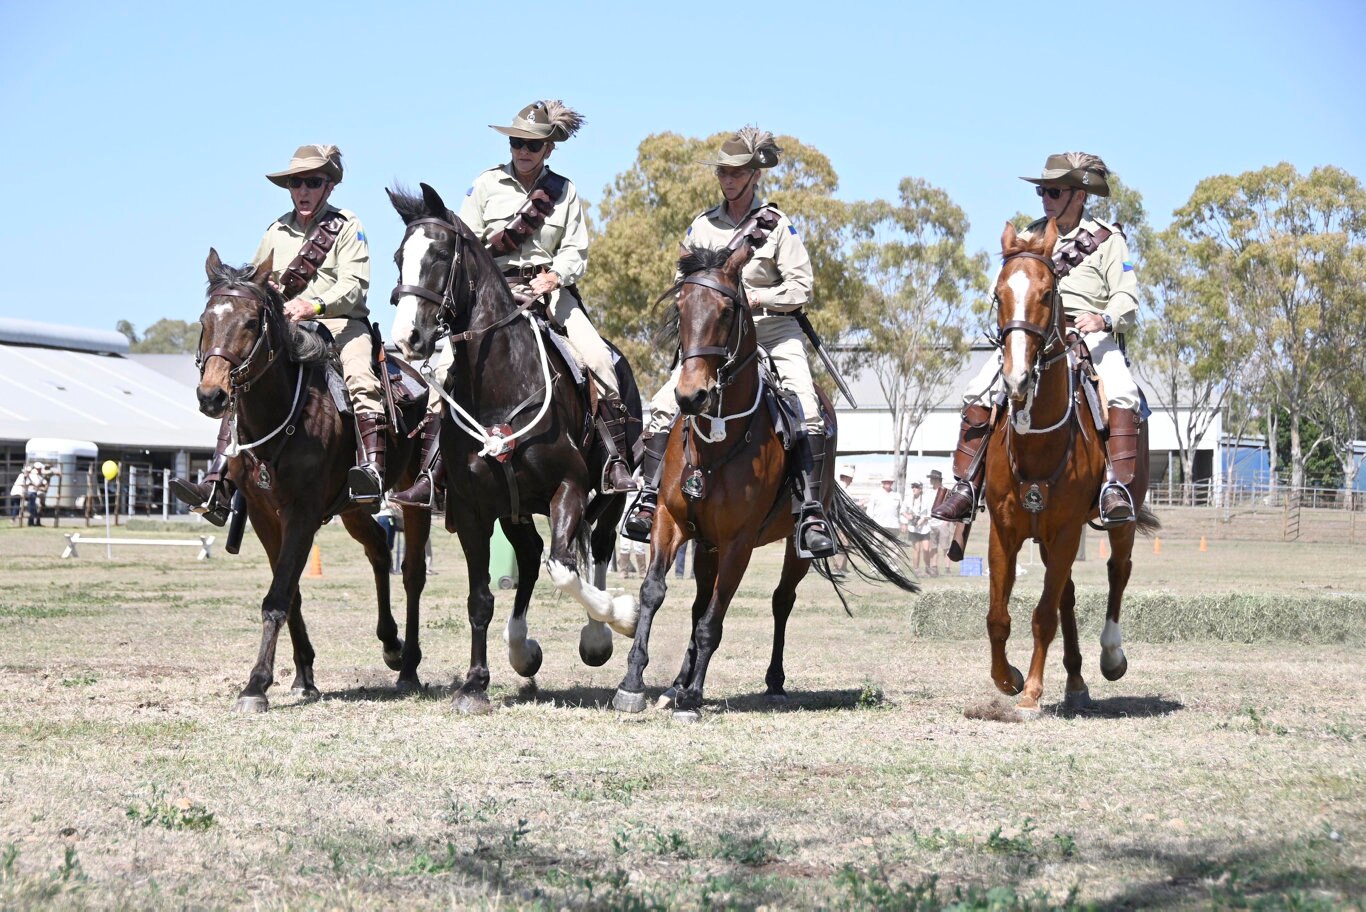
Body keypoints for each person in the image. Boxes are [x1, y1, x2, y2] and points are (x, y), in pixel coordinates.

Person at [391, 100, 635, 510]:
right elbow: (461, 243)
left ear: (548, 149)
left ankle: (614, 460)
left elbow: (577, 249)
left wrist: (556, 275)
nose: (523, 151)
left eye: (532, 145)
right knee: (443, 374)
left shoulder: (565, 191)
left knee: (599, 360)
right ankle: (430, 476)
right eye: (517, 143)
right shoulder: (485, 185)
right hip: (492, 295)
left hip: (550, 294)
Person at [622, 126, 836, 559]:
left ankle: (810, 510)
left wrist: (756, 297)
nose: (729, 179)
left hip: (772, 331)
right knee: (664, 405)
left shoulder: (778, 227)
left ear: (755, 176)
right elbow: (682, 282)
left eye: (737, 173)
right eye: (724, 172)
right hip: (714, 338)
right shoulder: (702, 225)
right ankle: (647, 497)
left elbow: (801, 289)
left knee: (807, 409)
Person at [171, 144, 382, 523]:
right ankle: (217, 482)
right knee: (241, 380)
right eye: (296, 183)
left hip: (339, 323)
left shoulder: (348, 226)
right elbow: (256, 283)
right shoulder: (276, 230)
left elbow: (355, 286)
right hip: (287, 329)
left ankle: (371, 470)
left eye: (312, 182)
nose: (303, 190)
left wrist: (313, 306)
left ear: (329, 187)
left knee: (361, 377)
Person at [933, 152, 1142, 530]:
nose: (1045, 198)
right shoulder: (1028, 235)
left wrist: (1104, 318)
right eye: (1042, 191)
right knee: (977, 390)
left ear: (1079, 196)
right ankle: (965, 486)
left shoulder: (1108, 241)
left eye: (1054, 191)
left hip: (1088, 334)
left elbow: (1127, 296)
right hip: (1035, 334)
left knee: (1123, 392)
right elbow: (1007, 285)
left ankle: (1115, 488)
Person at [829, 465, 856, 576]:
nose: (852, 480)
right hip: (840, 522)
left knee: (846, 545)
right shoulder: (841, 489)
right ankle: (837, 568)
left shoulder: (844, 489)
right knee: (842, 544)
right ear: (847, 477)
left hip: (845, 522)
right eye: (851, 477)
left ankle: (843, 567)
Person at [925, 470, 953, 576]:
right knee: (933, 547)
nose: (931, 480)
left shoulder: (946, 492)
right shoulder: (928, 492)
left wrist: (946, 521)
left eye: (932, 478)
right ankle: (934, 567)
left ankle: (947, 568)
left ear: (937, 479)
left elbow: (950, 507)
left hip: (942, 522)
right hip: (931, 522)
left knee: (945, 547)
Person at [863, 475, 902, 541]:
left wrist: (903, 523)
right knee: (878, 546)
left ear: (892, 483)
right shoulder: (875, 493)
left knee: (893, 548)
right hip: (879, 524)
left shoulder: (897, 495)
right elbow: (870, 510)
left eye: (890, 482)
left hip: (893, 525)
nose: (888, 483)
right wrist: (869, 523)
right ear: (883, 483)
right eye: (886, 482)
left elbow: (901, 510)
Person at [902, 480, 929, 573]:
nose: (914, 489)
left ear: (920, 489)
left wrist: (923, 519)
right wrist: (908, 516)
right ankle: (916, 569)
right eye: (912, 486)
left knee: (926, 549)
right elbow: (902, 510)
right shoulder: (908, 499)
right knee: (916, 549)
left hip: (925, 528)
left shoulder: (926, 499)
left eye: (916, 487)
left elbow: (930, 512)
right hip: (913, 528)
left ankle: (928, 568)